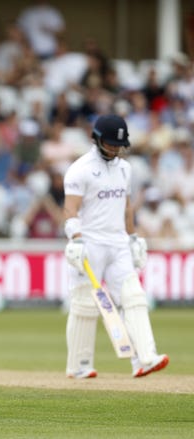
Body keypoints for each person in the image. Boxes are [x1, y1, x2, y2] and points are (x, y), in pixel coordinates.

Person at [63, 114, 168, 379]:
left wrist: (133, 237)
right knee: (85, 305)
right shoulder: (80, 169)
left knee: (133, 297)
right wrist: (75, 239)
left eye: (118, 145)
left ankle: (144, 358)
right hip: (91, 243)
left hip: (119, 242)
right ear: (96, 139)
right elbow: (70, 208)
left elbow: (127, 206)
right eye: (109, 144)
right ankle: (79, 365)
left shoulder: (125, 168)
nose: (114, 149)